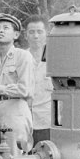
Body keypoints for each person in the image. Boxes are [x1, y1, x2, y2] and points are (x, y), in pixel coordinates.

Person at [0, 14, 33, 155]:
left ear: (16, 34)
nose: (0, 31)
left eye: (5, 28)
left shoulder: (23, 56)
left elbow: (24, 90)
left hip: (16, 111)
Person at [26, 15, 52, 145]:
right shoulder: (20, 58)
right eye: (31, 32)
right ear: (26, 35)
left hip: (48, 122)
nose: (35, 36)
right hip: (25, 121)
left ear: (46, 34)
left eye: (39, 32)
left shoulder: (56, 59)